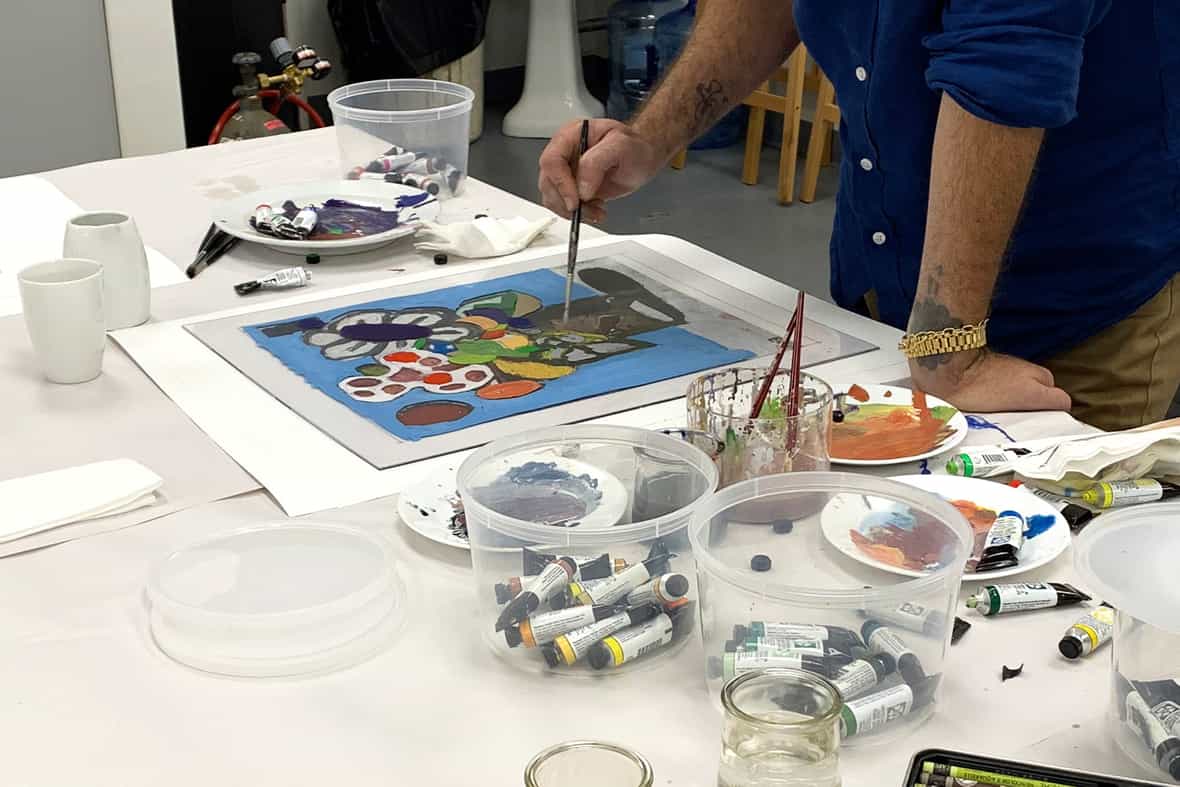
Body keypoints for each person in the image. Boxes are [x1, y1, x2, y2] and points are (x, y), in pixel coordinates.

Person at [538, 0, 1180, 431]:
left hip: (1079, 297)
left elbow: (1005, 61)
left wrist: (945, 349)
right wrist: (652, 136)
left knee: (1034, 589)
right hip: (894, 282)